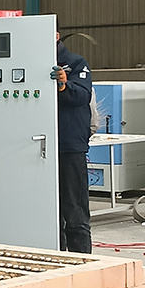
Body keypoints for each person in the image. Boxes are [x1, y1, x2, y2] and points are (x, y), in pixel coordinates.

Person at [50, 31, 93, 253]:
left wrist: (64, 86)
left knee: (74, 208)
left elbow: (83, 96)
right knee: (49, 211)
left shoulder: (76, 63)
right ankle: (55, 257)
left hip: (69, 146)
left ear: (56, 35)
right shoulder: (30, 62)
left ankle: (82, 260)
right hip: (38, 147)